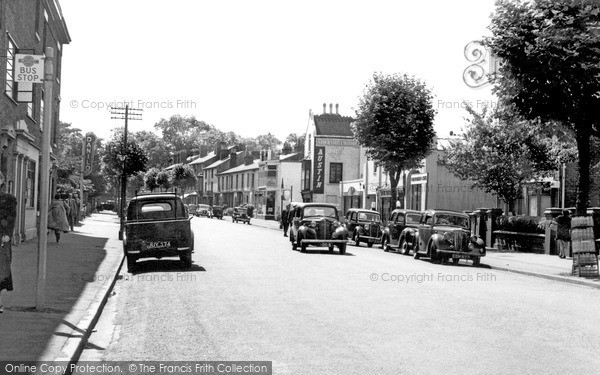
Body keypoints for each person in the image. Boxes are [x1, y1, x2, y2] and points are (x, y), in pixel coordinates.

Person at [0, 178, 17, 314]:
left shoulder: (8, 199)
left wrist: (7, 234)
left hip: (1, 237)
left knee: (1, 268)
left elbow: (10, 217)